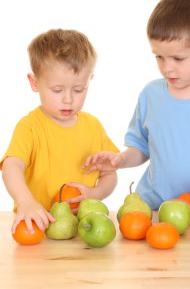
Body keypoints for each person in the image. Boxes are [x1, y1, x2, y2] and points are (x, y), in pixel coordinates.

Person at [84, 0, 190, 221]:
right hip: (153, 210)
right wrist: (120, 160)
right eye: (159, 57)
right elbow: (141, 148)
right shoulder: (151, 94)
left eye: (178, 59)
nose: (167, 68)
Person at [0, 29, 118, 234]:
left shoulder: (94, 127)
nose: (68, 99)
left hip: (84, 229)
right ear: (34, 83)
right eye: (57, 90)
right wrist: (25, 201)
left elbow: (110, 173)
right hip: (35, 225)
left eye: (79, 89)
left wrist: (96, 193)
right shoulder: (29, 127)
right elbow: (11, 166)